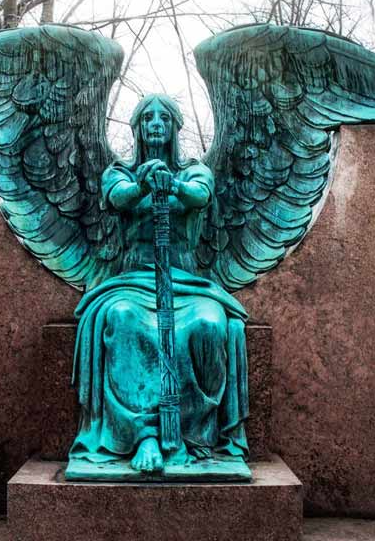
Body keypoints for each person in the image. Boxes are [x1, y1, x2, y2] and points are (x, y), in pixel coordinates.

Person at [69, 94, 249, 474]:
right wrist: (143, 185)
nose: (155, 123)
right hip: (132, 281)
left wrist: (174, 187)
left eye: (163, 117)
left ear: (175, 127)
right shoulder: (118, 172)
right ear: (136, 128)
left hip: (186, 283)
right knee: (122, 319)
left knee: (210, 324)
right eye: (147, 117)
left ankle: (191, 433)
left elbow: (200, 196)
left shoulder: (195, 172)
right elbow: (119, 198)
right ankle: (143, 434)